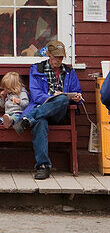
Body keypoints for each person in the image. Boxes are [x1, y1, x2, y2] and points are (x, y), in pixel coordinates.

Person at [13, 39, 82, 179]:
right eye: (56, 56)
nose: (59, 60)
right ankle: (43, 167)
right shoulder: (36, 69)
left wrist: (77, 97)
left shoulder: (69, 72)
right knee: (40, 122)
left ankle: (28, 119)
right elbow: (36, 95)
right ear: (49, 54)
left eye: (61, 57)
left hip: (60, 113)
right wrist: (51, 96)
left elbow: (76, 91)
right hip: (42, 109)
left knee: (62, 99)